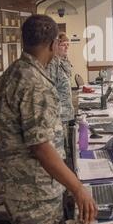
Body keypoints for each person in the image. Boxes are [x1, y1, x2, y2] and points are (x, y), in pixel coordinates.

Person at [0, 15, 97, 224]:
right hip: (33, 189)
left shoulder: (12, 72)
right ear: (52, 44)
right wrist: (77, 188)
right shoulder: (35, 83)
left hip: (16, 183)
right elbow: (40, 147)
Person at [47, 32, 74, 168]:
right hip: (58, 115)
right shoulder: (51, 65)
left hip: (66, 112)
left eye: (68, 45)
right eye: (63, 45)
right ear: (55, 45)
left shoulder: (63, 61)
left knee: (67, 148)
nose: (66, 47)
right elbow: (50, 91)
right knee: (61, 151)